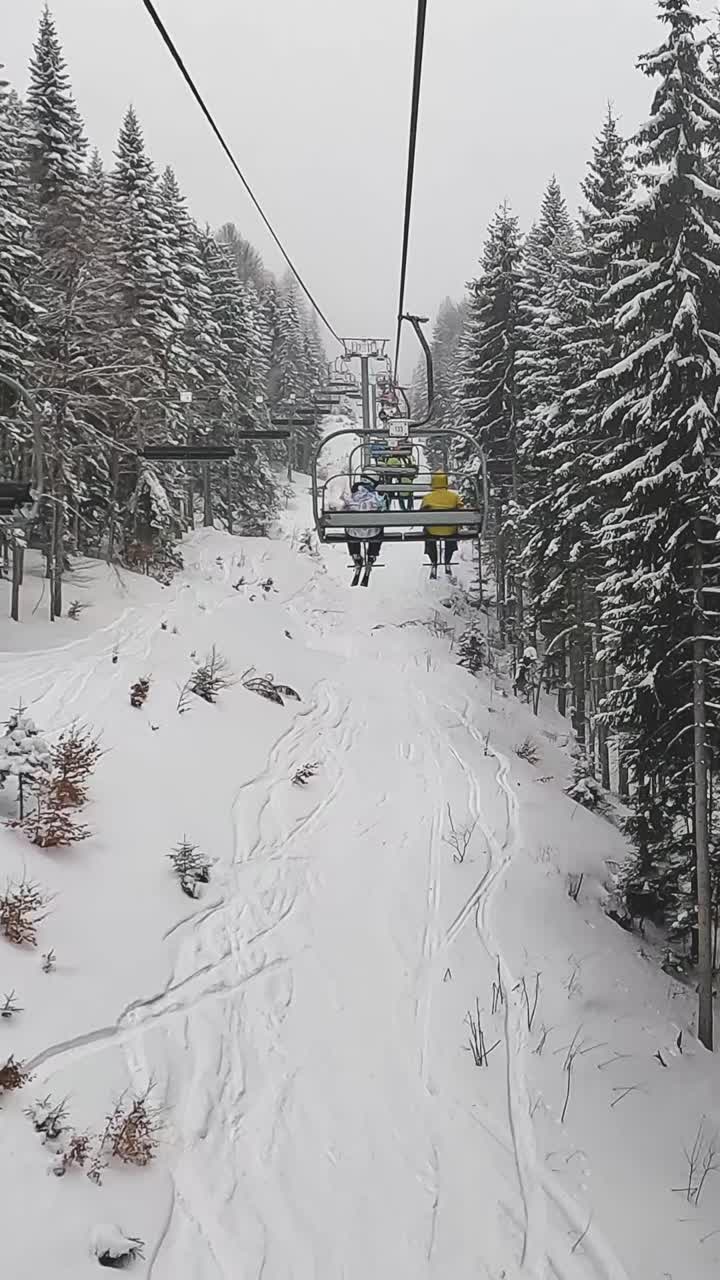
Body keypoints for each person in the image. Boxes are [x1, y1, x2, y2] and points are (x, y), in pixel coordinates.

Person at [420, 472, 464, 573]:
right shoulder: (454, 496)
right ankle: (447, 561)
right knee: (452, 531)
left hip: (432, 530)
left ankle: (433, 562)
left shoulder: (428, 497)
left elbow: (421, 515)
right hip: (450, 530)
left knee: (428, 533)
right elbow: (461, 511)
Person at [343, 476, 387, 569]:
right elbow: (384, 511)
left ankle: (355, 554)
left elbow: (344, 509)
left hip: (353, 534)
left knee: (349, 525)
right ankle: (372, 554)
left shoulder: (352, 495)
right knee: (379, 524)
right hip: (374, 533)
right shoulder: (377, 496)